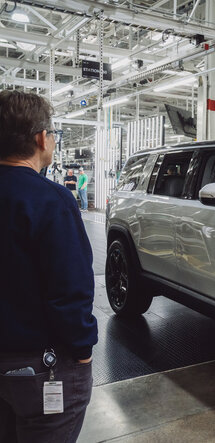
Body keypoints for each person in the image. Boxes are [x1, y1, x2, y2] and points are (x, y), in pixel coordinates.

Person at [0, 90, 97, 442]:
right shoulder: (51, 200)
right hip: (42, 366)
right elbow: (69, 290)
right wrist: (83, 350)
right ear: (42, 138)